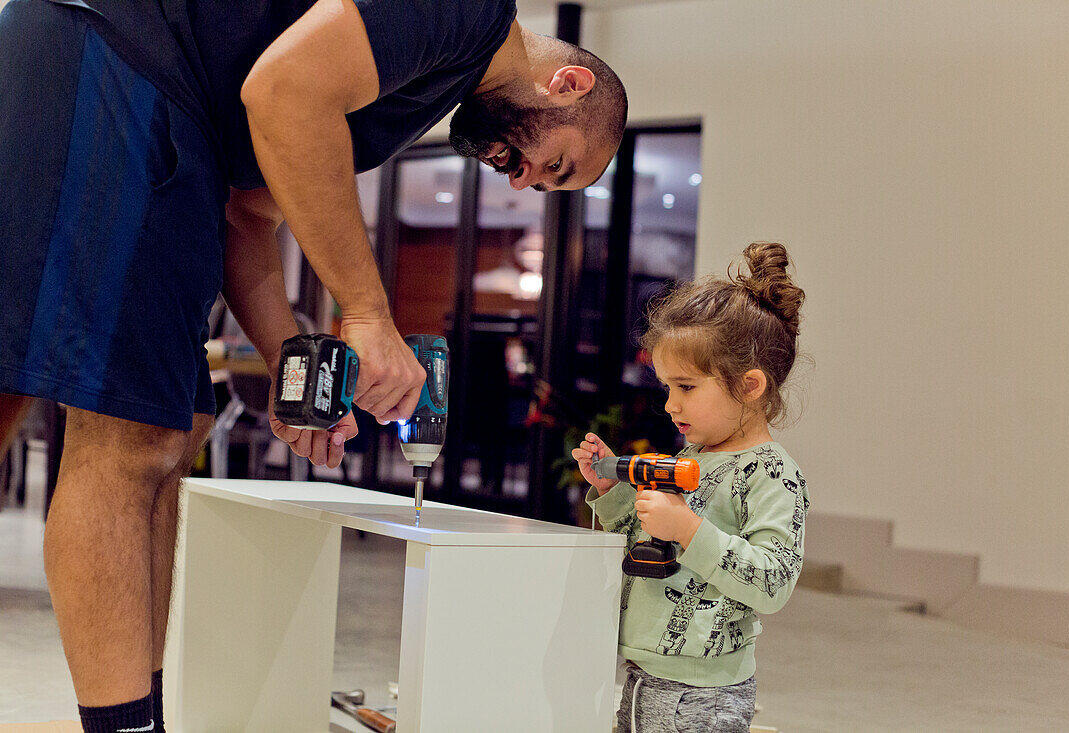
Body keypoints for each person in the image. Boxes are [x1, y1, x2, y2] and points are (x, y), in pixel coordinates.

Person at [0, 0, 626, 729]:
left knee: (177, 422)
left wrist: (291, 368)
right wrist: (365, 311)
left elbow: (248, 216)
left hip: (147, 93)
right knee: (130, 435)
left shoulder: (418, 83)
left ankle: (139, 717)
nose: (522, 180)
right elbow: (284, 90)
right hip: (116, 60)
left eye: (543, 185)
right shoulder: (471, 10)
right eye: (553, 164)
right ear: (569, 85)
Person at [572, 242, 809, 733]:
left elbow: (774, 582)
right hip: (645, 674)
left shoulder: (771, 473)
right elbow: (640, 538)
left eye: (686, 387)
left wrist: (689, 530)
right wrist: (611, 490)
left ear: (750, 386)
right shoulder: (690, 458)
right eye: (666, 389)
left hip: (706, 694)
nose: (670, 405)